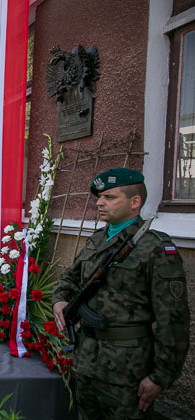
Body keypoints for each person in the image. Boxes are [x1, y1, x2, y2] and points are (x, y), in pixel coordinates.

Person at [53, 168, 190, 419]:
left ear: (135, 202)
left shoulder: (155, 247)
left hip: (126, 368)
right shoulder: (96, 239)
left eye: (109, 197)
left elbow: (174, 320)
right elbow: (70, 278)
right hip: (87, 359)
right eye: (100, 197)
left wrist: (161, 376)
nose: (99, 202)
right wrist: (60, 299)